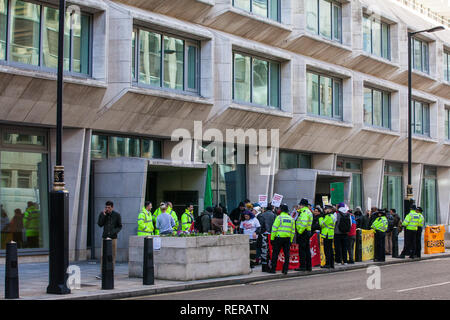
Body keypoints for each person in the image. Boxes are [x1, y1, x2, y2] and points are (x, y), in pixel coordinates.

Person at [97, 200, 122, 279]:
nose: (107, 209)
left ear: (112, 207)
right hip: (104, 238)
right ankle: (102, 272)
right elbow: (100, 224)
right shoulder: (103, 214)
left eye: (109, 207)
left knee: (112, 256)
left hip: (113, 238)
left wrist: (114, 232)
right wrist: (103, 215)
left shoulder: (117, 215)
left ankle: (111, 272)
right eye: (106, 207)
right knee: (102, 256)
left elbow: (120, 226)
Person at [269, 204, 295, 275]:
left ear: (281, 210)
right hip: (287, 239)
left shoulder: (279, 218)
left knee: (275, 254)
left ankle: (273, 269)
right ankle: (285, 270)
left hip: (278, 238)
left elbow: (274, 229)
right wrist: (291, 240)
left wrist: (272, 238)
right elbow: (293, 231)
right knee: (287, 254)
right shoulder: (291, 219)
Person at [295, 199, 313, 272]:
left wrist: (299, 232)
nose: (299, 206)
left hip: (303, 233)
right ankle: (308, 266)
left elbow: (303, 223)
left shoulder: (305, 212)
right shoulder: (307, 211)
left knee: (302, 250)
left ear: (302, 205)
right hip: (307, 232)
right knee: (306, 250)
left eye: (300, 205)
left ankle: (302, 266)